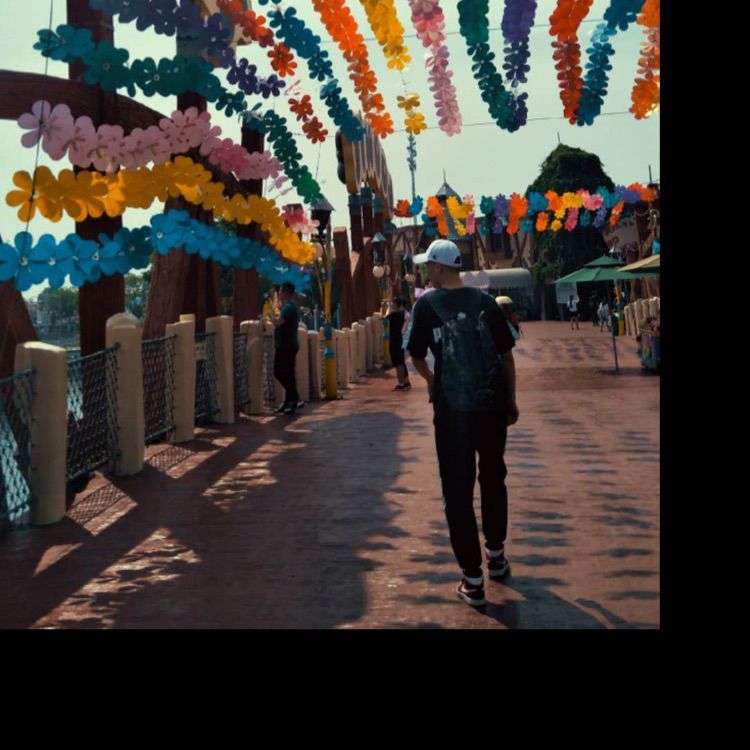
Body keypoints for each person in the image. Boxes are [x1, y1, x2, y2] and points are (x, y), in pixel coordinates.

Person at [405, 239, 519, 608]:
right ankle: (496, 556)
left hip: (452, 414)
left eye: (428, 266)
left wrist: (432, 381)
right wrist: (510, 401)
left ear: (439, 267)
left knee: (457, 491)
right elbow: (506, 356)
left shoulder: (426, 306)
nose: (427, 271)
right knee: (493, 478)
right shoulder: (487, 303)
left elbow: (415, 355)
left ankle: (473, 579)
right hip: (491, 407)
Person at [269, 282, 300, 415]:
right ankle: (289, 401)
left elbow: (278, 322)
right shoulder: (289, 307)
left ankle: (294, 397)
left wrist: (271, 314)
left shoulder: (289, 307)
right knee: (288, 374)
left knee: (279, 372)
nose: (279, 293)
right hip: (287, 345)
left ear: (286, 292)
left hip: (286, 346)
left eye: (281, 291)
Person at [386, 296, 411, 390]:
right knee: (401, 361)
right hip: (402, 339)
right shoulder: (406, 313)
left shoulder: (395, 314)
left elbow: (384, 317)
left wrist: (387, 307)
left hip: (396, 341)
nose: (391, 304)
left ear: (396, 304)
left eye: (392, 303)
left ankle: (401, 384)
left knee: (398, 362)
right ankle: (406, 382)